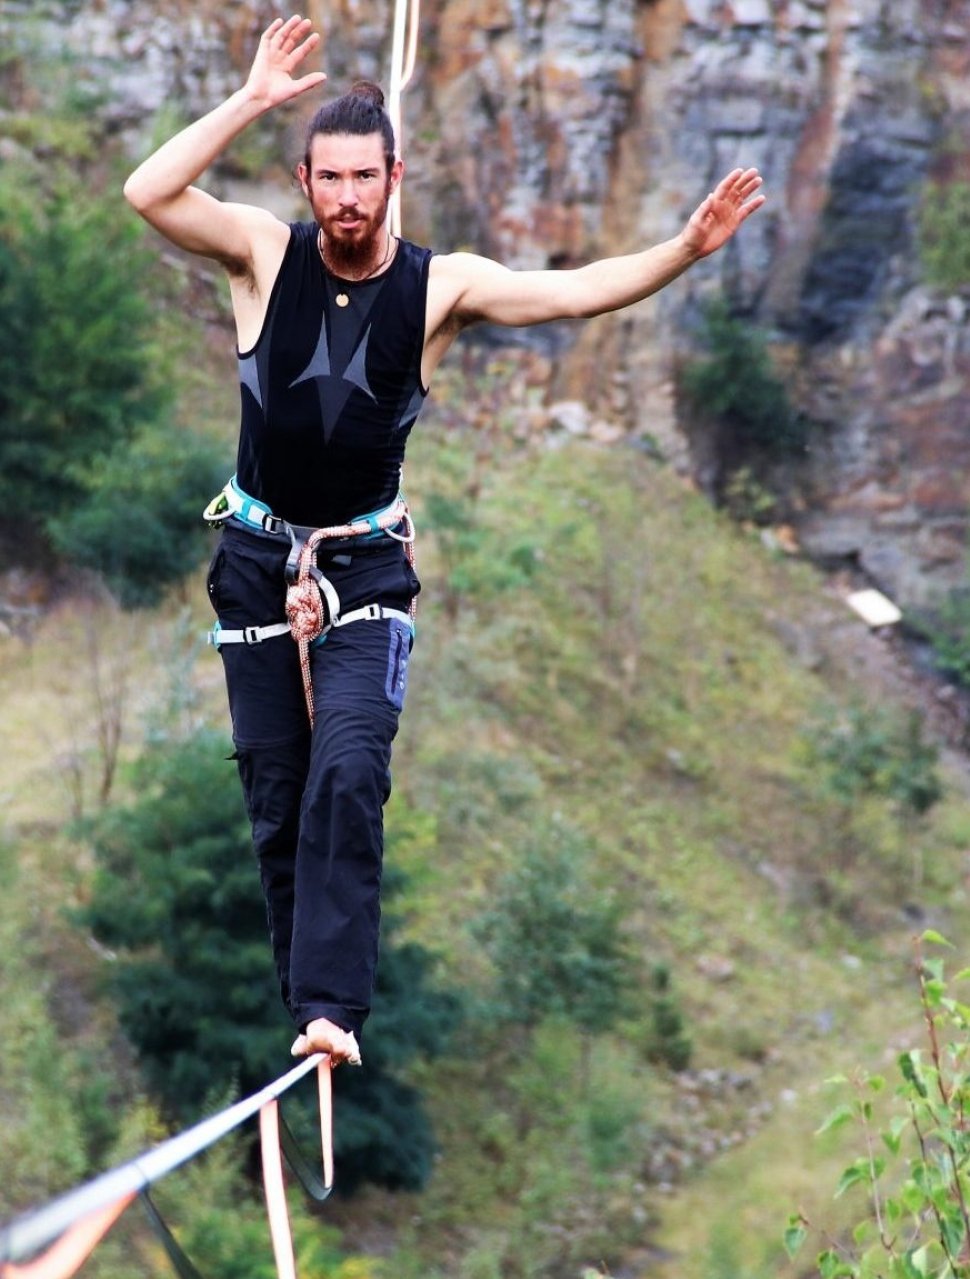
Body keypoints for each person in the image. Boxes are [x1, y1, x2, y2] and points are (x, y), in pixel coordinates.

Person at [122, 14, 764, 1070]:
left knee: (349, 770)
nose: (344, 199)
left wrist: (684, 251)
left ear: (392, 178)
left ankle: (334, 1006)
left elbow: (571, 292)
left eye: (363, 179)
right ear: (305, 178)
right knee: (277, 797)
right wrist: (247, 100)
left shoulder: (440, 289)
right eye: (326, 178)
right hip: (252, 564)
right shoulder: (260, 255)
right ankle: (305, 1013)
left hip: (364, 569)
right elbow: (149, 192)